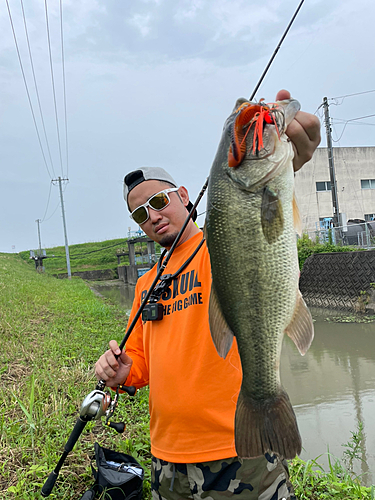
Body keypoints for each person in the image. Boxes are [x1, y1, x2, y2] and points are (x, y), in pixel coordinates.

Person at [95, 90, 321, 500]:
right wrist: (124, 371)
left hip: (239, 452)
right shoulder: (147, 284)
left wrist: (288, 160)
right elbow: (143, 364)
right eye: (140, 214)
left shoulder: (215, 249)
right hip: (167, 459)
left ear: (184, 195)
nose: (153, 215)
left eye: (158, 201)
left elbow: (259, 219)